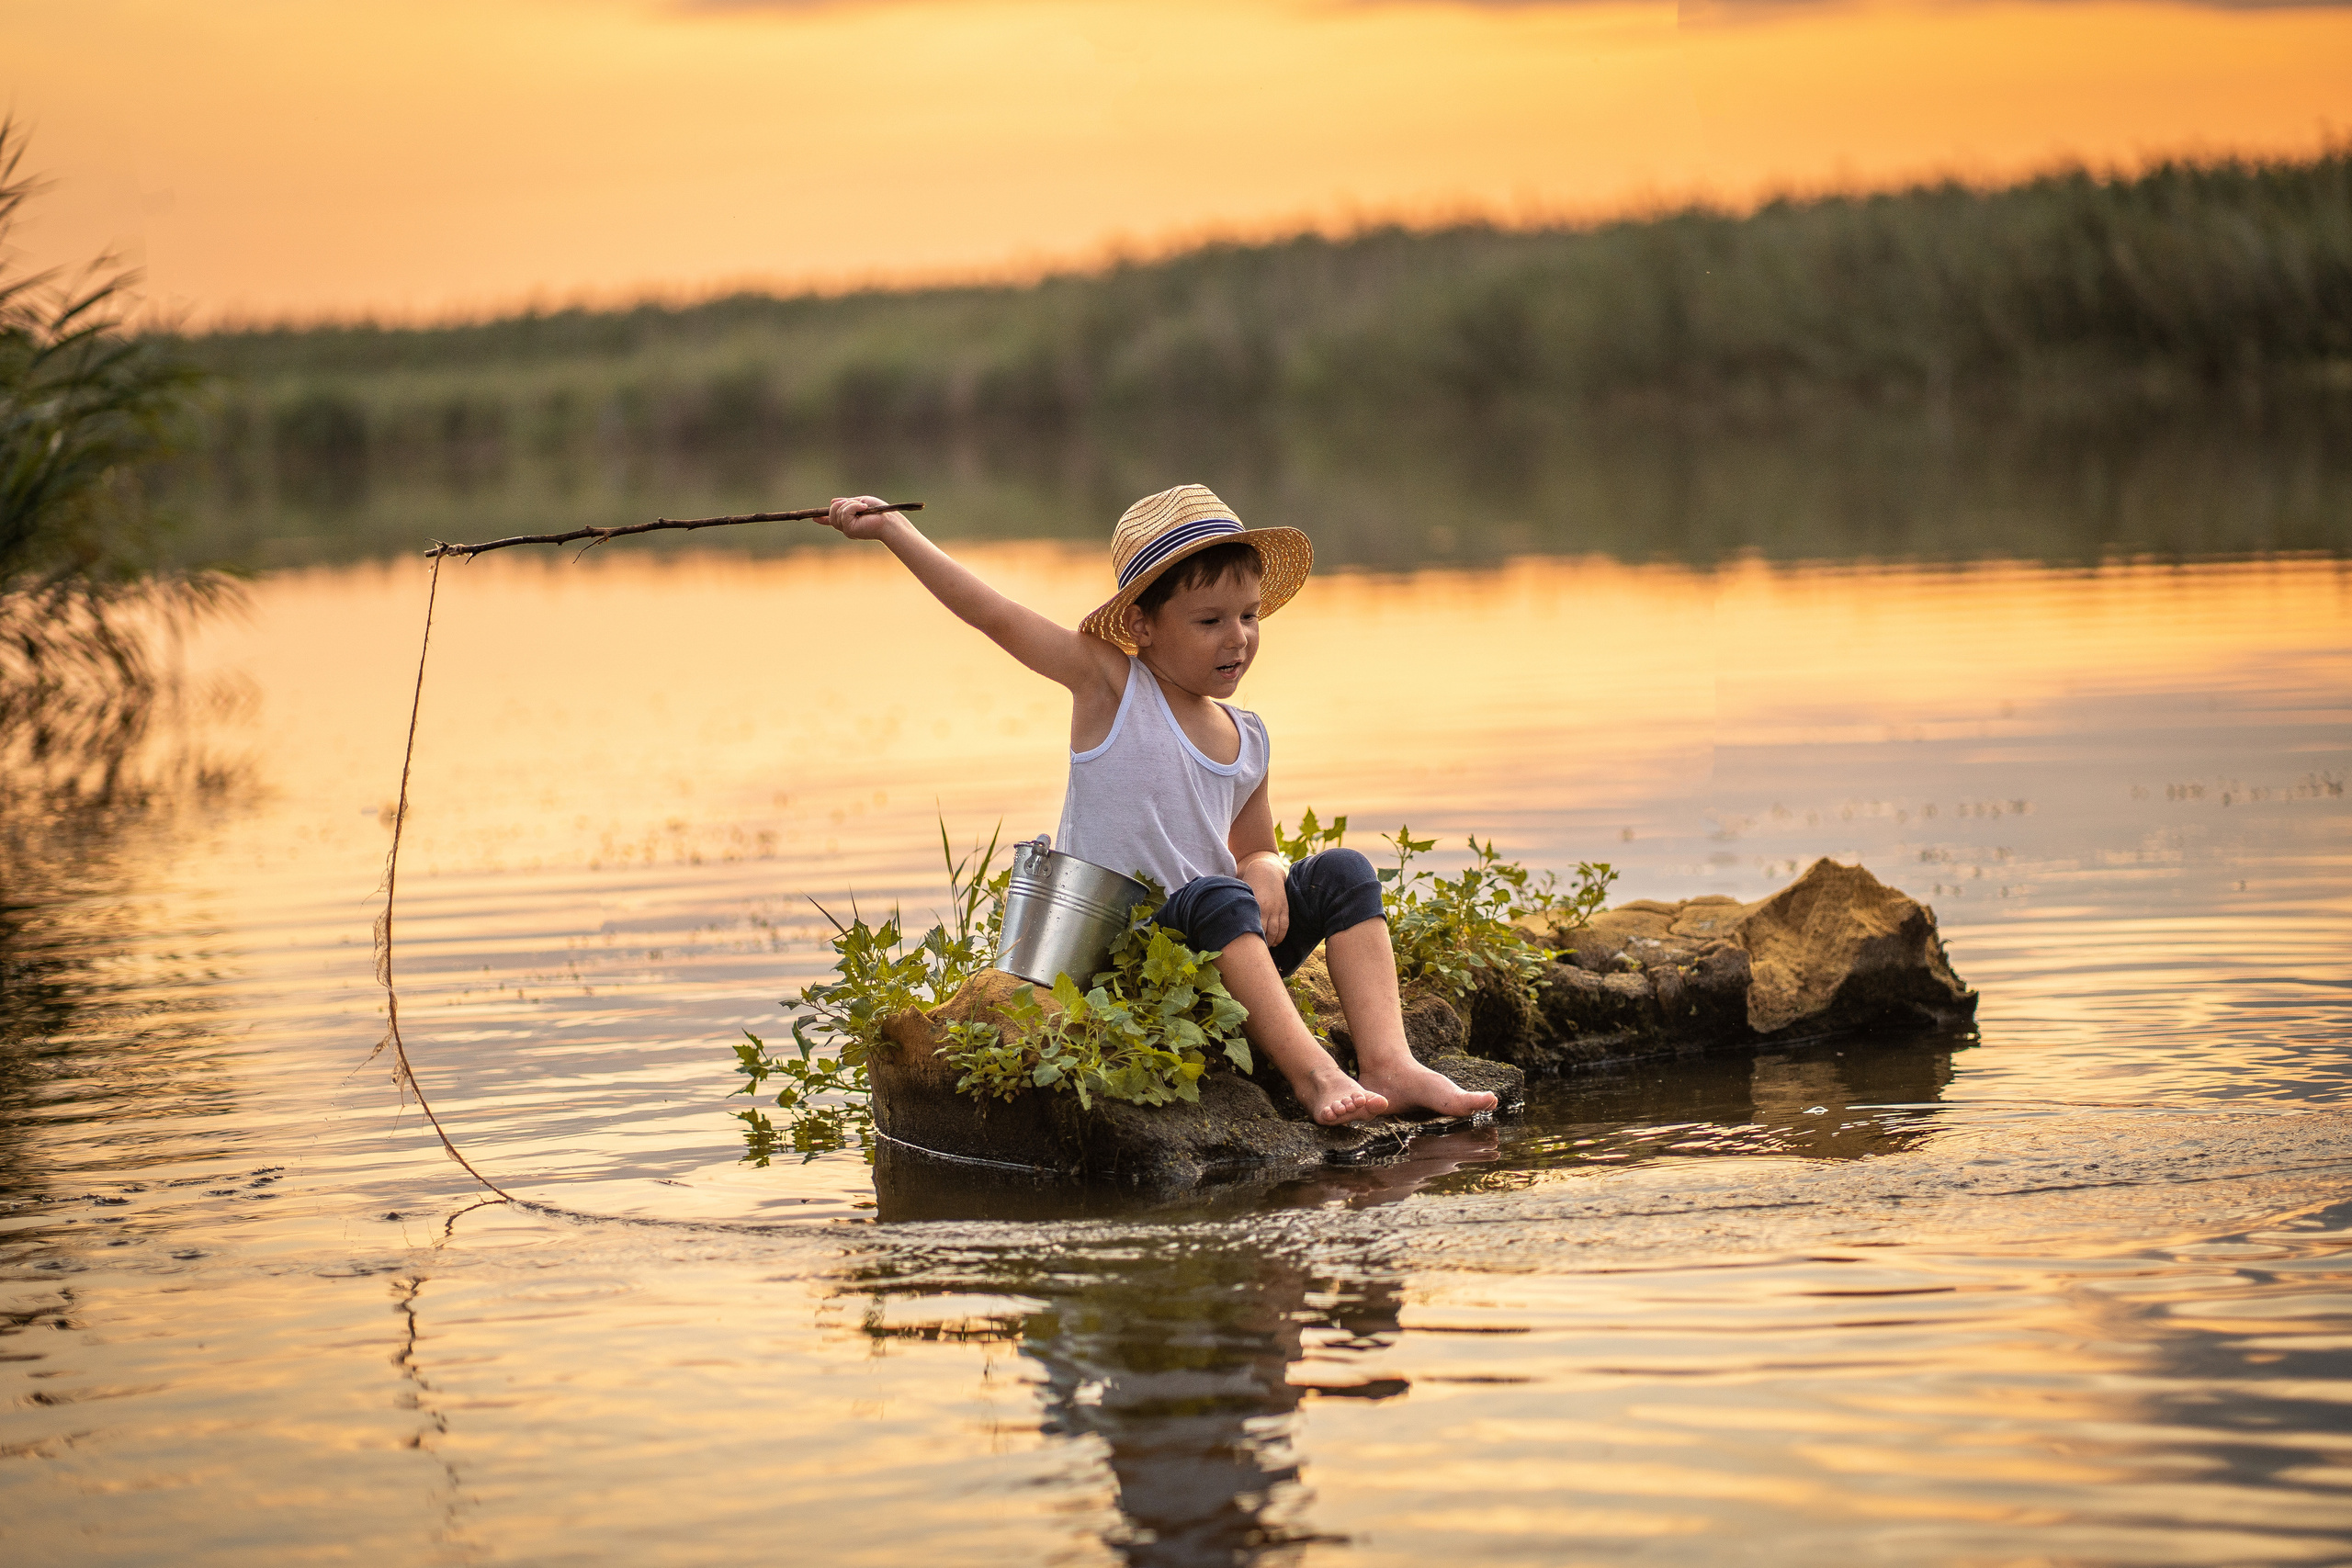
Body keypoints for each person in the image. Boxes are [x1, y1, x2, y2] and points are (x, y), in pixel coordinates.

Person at [821, 483, 1498, 1126]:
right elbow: (995, 613)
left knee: (1344, 871)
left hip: (1221, 946)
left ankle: (1389, 1062)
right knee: (1215, 896)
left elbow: (1254, 844)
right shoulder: (1110, 687)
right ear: (1141, 625)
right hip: (1132, 958)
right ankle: (1315, 1074)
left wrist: (1264, 866)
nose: (1237, 638)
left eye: (1249, 615)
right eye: (1210, 621)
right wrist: (893, 529)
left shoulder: (1248, 737)